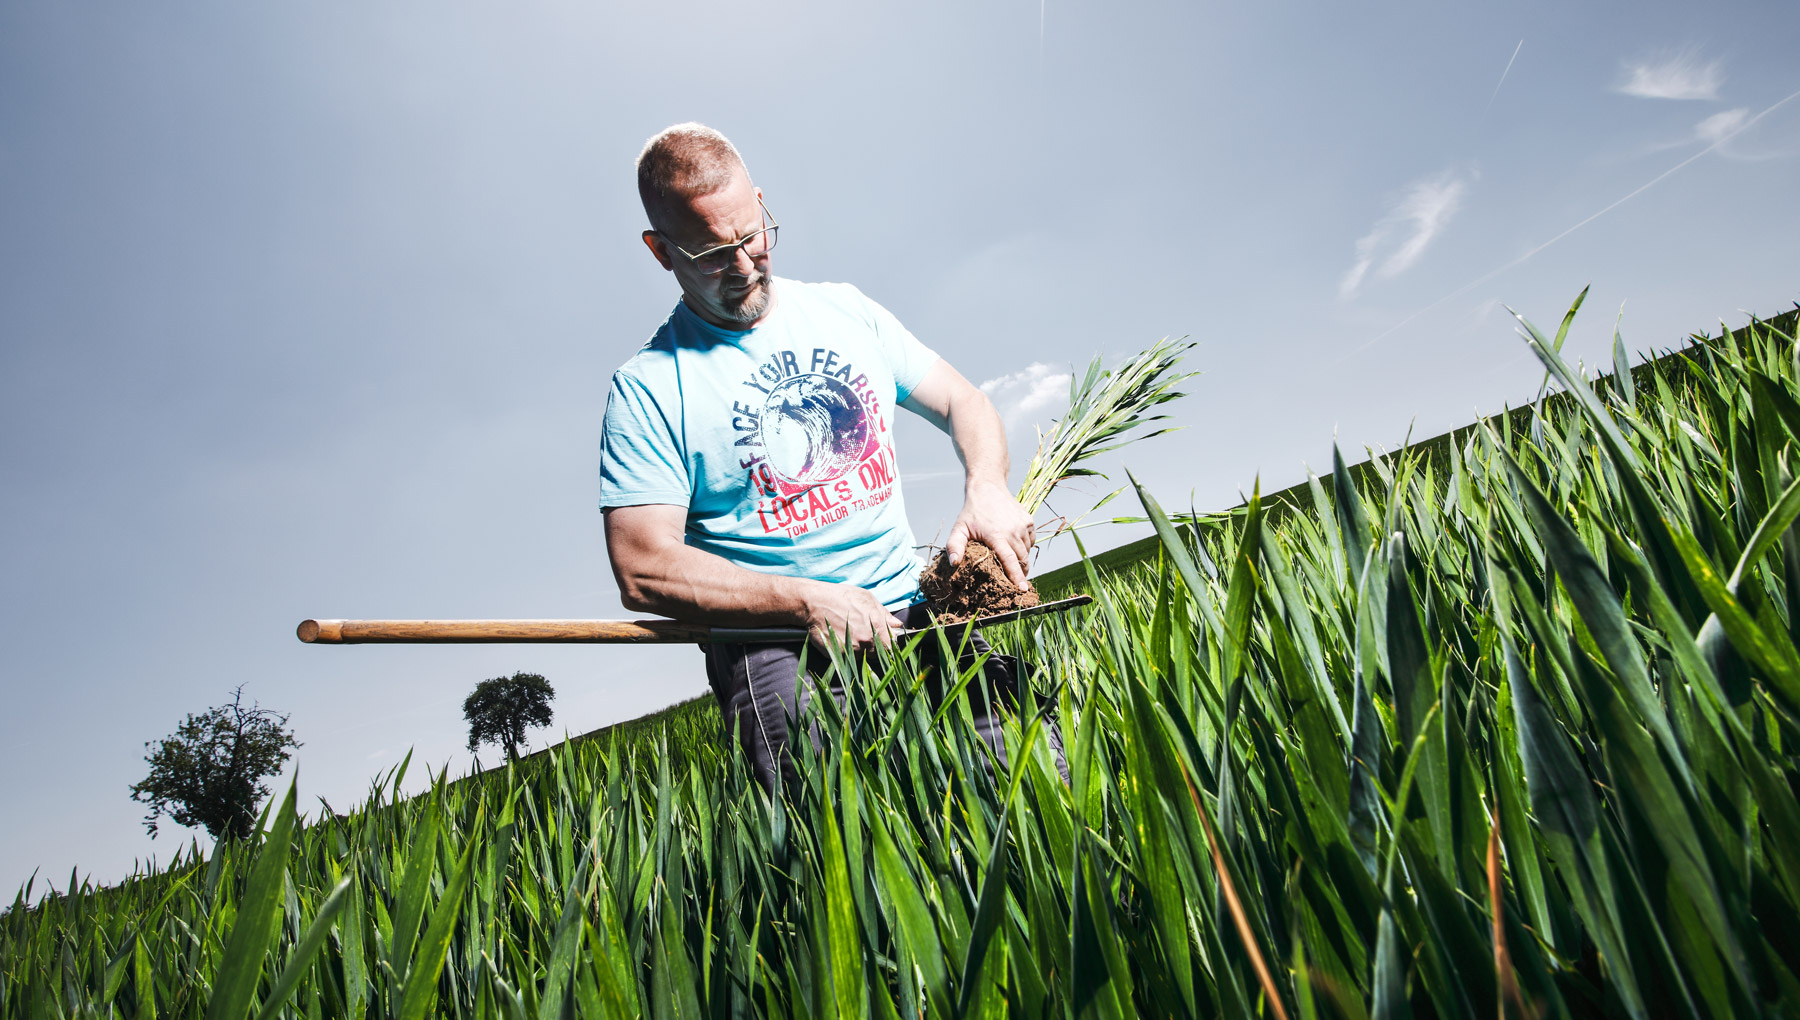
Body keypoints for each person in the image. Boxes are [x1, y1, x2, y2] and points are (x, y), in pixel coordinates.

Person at [599, 123, 1053, 791]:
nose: (747, 265)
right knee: (845, 848)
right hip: (779, 642)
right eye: (714, 254)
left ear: (760, 201)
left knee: (1038, 789)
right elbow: (643, 567)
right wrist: (804, 600)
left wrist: (987, 486)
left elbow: (964, 401)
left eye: (752, 236)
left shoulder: (845, 312)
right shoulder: (648, 388)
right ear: (662, 252)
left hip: (919, 612)